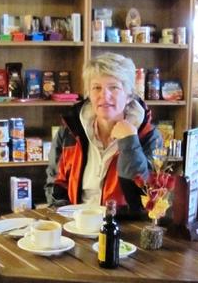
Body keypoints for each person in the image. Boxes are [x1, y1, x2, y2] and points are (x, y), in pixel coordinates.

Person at [45, 52, 161, 213]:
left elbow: (144, 200)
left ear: (129, 95)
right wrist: (65, 217)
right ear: (89, 94)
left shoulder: (148, 136)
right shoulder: (70, 131)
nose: (104, 95)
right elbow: (55, 184)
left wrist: (129, 143)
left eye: (114, 87)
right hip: (76, 222)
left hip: (123, 224)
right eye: (96, 88)